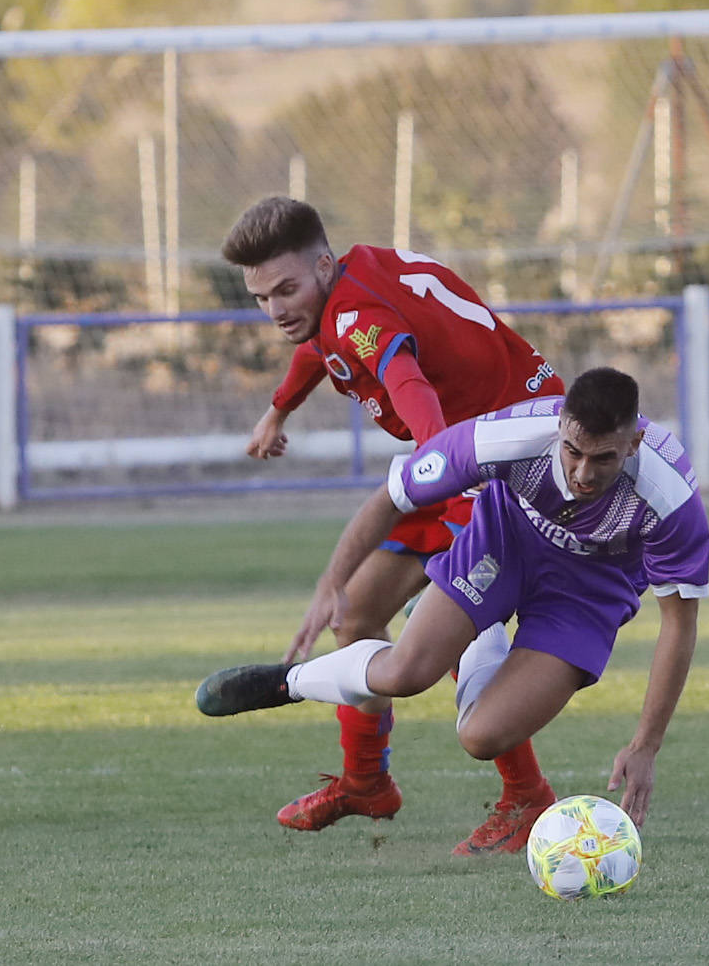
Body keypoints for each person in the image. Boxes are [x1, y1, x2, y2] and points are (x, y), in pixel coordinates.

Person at [198, 367, 709, 840]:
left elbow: (678, 626)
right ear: (560, 426)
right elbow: (393, 497)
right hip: (505, 542)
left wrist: (645, 746)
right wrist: (333, 581)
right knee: (403, 674)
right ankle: (286, 682)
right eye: (573, 450)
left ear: (635, 443)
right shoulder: (505, 436)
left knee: (481, 737)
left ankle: (480, 631)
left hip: (589, 593)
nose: (582, 473)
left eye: (604, 459)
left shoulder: (669, 496)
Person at [221, 195, 565, 851]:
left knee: (461, 626)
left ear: (322, 265)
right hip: (473, 445)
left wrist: (445, 468)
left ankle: (526, 797)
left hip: (507, 460)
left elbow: (408, 386)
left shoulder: (353, 316)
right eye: (261, 297)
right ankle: (365, 782)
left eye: (286, 289)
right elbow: (321, 347)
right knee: (356, 612)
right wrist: (277, 411)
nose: (275, 309)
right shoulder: (352, 279)